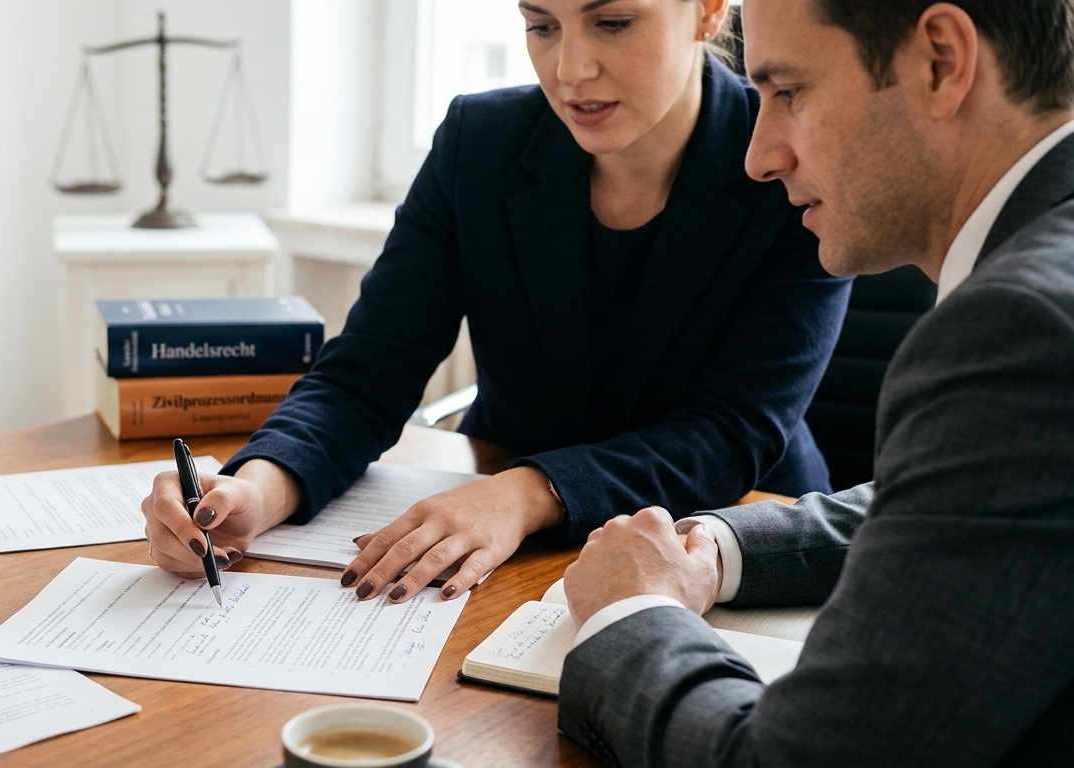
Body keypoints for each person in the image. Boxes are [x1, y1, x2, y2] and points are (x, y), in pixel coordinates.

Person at [142, 0, 852, 603]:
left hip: (725, 540)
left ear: (705, 11)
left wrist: (524, 492)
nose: (570, 69)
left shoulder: (788, 157)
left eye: (611, 22)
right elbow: (367, 373)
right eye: (541, 24)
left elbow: (733, 431)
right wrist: (257, 487)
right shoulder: (478, 146)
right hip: (499, 549)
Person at [557, 0, 1074, 764]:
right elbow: (977, 498)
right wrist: (718, 548)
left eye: (789, 93)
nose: (759, 157)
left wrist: (632, 611)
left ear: (939, 61)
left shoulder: (1020, 329)